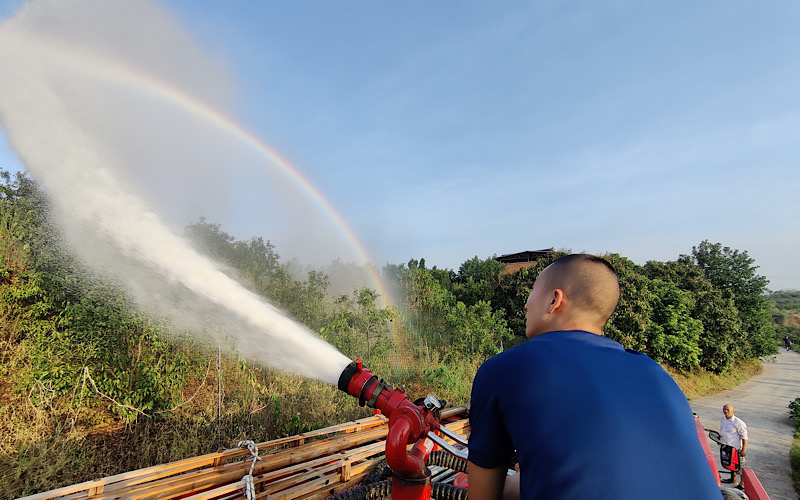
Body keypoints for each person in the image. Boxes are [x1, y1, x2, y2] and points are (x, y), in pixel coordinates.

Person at [468, 254, 721, 499]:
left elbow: (483, 495)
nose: (526, 304)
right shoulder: (653, 370)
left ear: (555, 300)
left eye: (533, 291)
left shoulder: (505, 368)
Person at [720, 404, 748, 487]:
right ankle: (733, 479)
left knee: (741, 465)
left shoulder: (738, 422)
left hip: (736, 448)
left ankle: (742, 483)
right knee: (730, 463)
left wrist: (744, 449)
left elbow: (744, 437)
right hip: (726, 447)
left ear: (733, 411)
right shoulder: (723, 419)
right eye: (724, 409)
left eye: (728, 410)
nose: (726, 411)